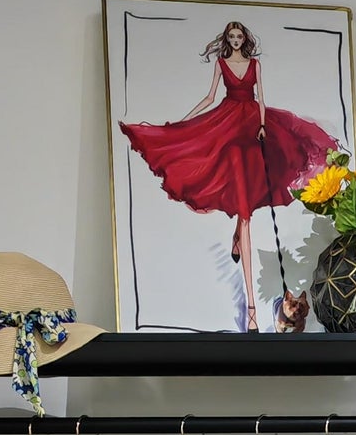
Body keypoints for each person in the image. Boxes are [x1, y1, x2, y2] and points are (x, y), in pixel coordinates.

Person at [120, 20, 334, 330]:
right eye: (231, 36)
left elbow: (261, 99)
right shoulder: (221, 64)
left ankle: (239, 234)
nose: (235, 40)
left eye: (239, 36)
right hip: (228, 127)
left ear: (245, 38)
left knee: (252, 189)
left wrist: (263, 126)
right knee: (243, 206)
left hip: (253, 127)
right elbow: (210, 98)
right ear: (227, 39)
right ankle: (251, 308)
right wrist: (182, 124)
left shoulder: (255, 65)